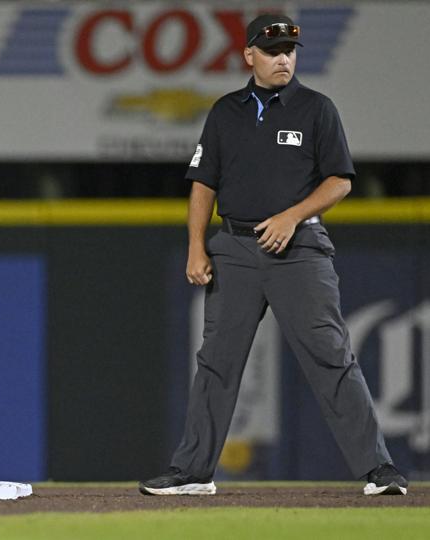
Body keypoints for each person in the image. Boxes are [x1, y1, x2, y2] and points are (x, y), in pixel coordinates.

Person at [139, 14, 408, 496]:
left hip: (299, 247)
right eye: (272, 49)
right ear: (249, 56)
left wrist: (291, 216)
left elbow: (340, 180)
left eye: (290, 49)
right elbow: (203, 184)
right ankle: (193, 472)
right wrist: (196, 245)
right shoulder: (225, 111)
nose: (283, 57)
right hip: (236, 247)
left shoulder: (316, 108)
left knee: (331, 356)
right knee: (217, 362)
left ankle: (379, 470)